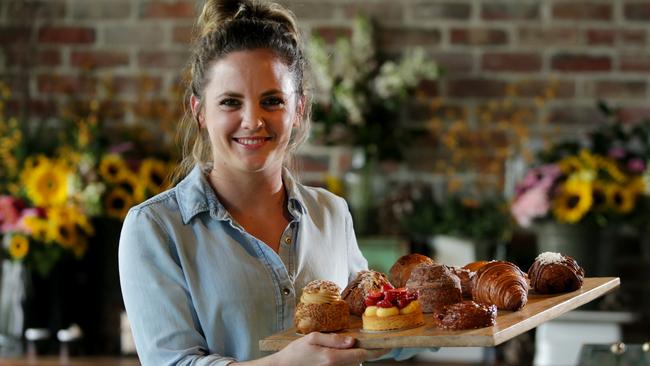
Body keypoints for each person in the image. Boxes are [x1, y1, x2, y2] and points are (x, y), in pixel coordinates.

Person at [118, 0, 421, 364]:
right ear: (199, 111)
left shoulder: (331, 213)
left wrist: (457, 315)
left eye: (272, 101)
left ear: (299, 110)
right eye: (230, 102)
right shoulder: (156, 228)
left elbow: (369, 328)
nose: (253, 121)